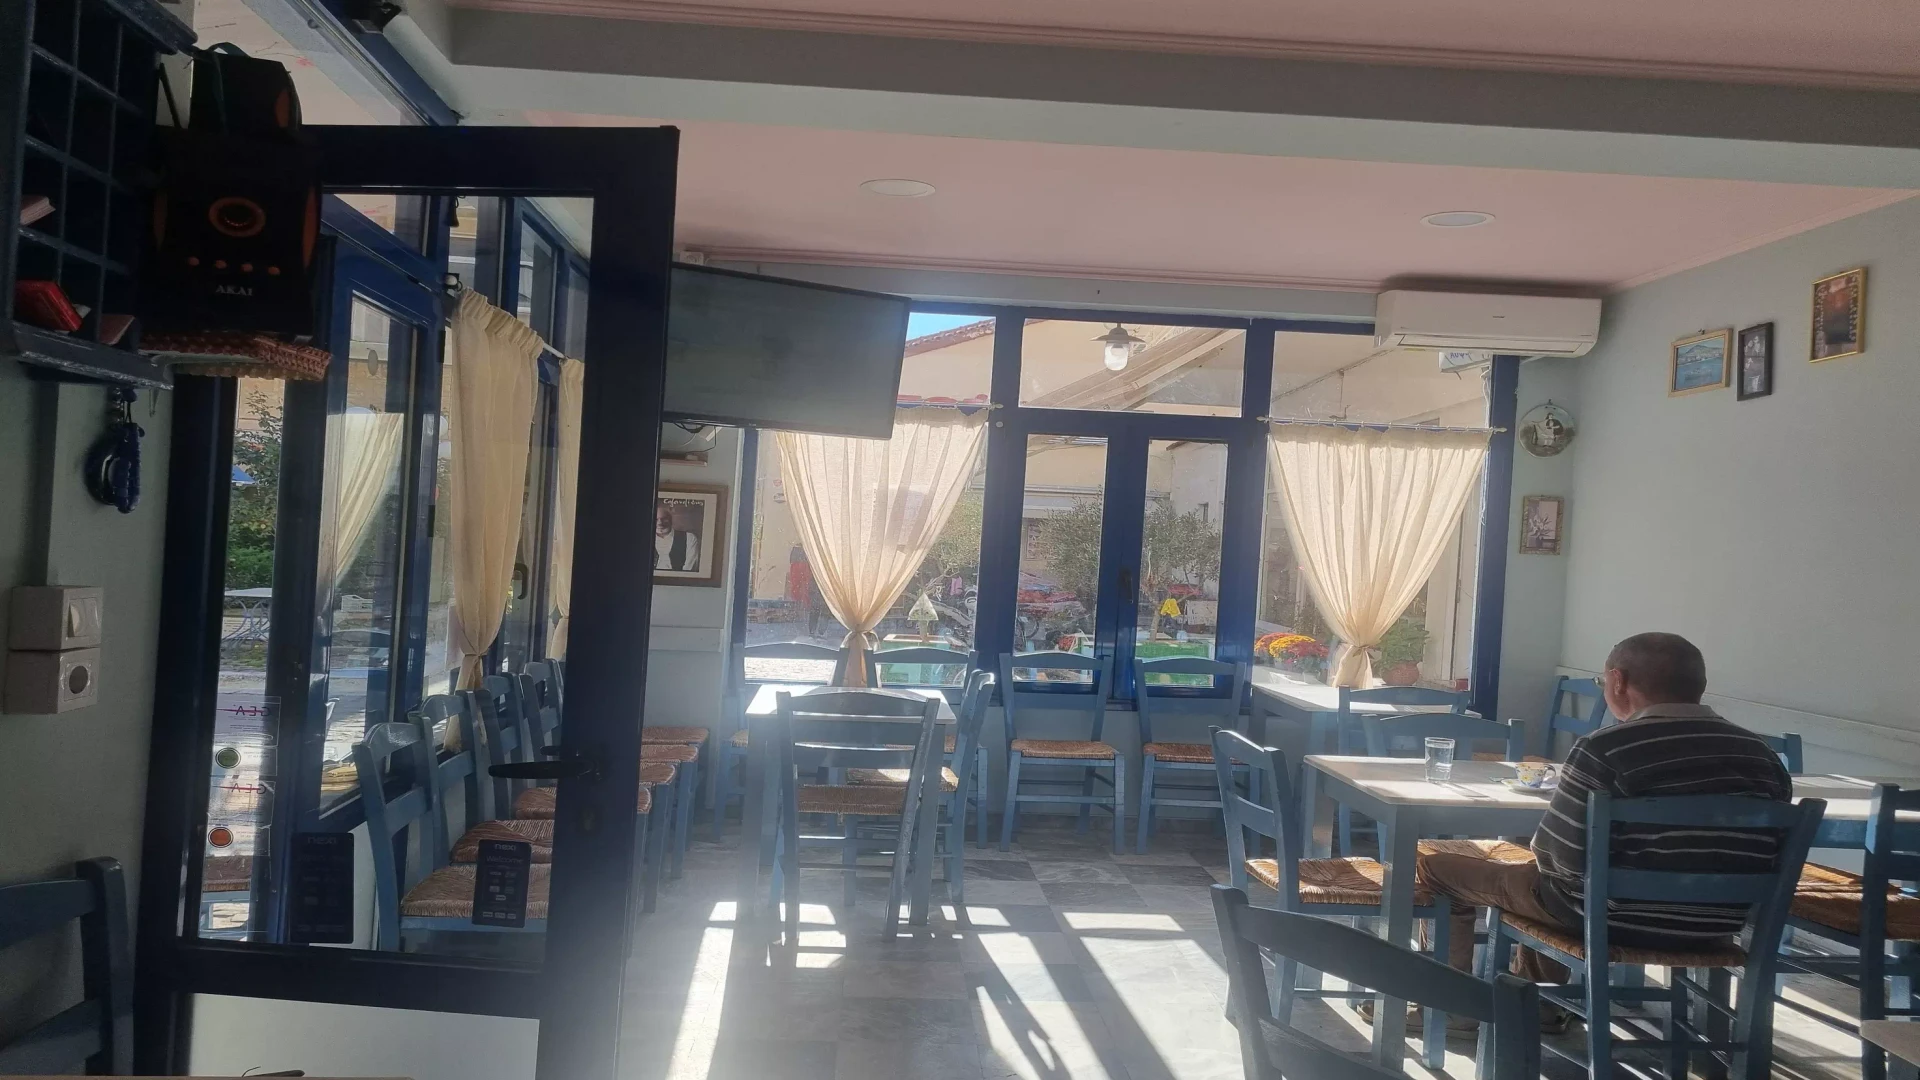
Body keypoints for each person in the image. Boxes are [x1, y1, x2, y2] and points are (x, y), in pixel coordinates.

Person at [1416, 632, 1791, 1021]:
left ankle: (1451, 1013)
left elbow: (1557, 859)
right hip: (1717, 925)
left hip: (1611, 920)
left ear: (1618, 681)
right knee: (1545, 883)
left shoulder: (1606, 749)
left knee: (1442, 869)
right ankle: (1538, 1011)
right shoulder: (1763, 758)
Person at [653, 501, 699, 573]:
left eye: (664, 519)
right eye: (656, 519)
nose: (660, 523)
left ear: (671, 520)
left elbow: (689, 569)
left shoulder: (689, 538)